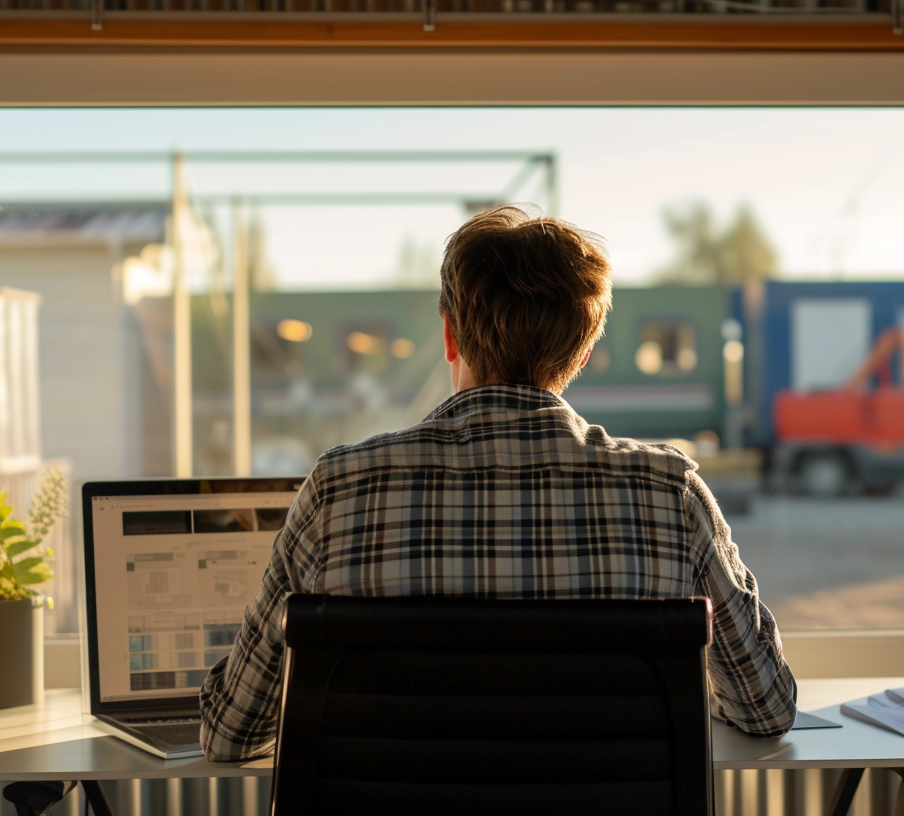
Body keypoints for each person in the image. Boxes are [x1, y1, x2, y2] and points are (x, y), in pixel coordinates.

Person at [199, 206, 796, 761]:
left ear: (450, 337)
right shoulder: (669, 495)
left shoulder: (340, 489)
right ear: (582, 352)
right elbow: (766, 708)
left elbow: (232, 733)